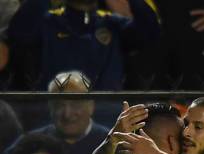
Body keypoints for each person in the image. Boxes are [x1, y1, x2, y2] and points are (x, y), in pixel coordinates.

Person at [7, 0, 160, 90]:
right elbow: (18, 34)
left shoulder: (113, 24)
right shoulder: (48, 23)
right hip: (55, 114)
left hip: (108, 117)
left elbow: (149, 33)